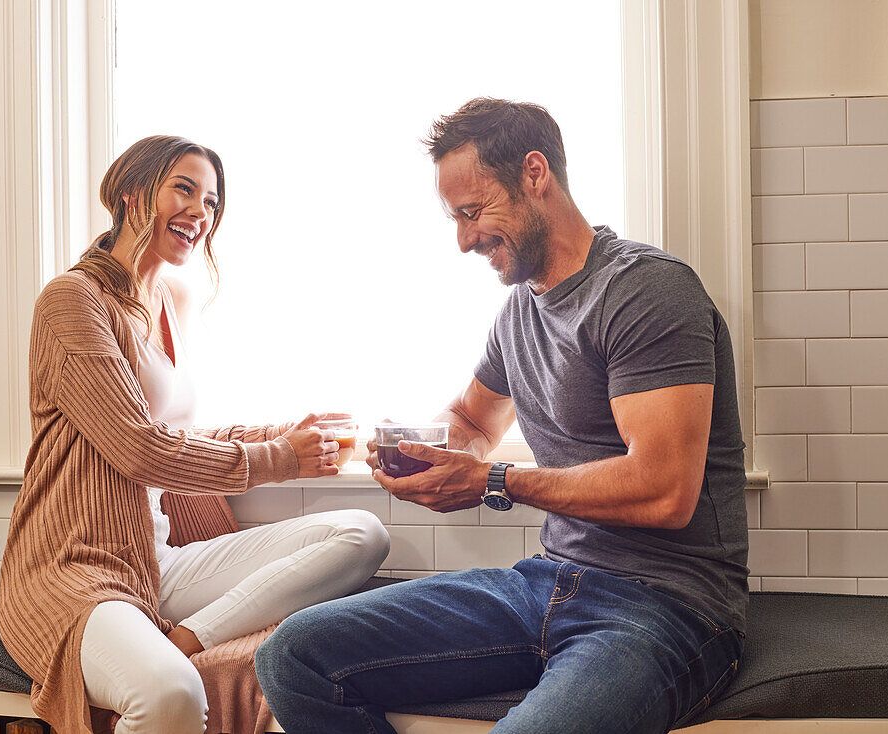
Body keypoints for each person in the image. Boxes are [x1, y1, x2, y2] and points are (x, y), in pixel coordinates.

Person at [255, 98, 748, 734]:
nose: (463, 240)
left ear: (534, 174)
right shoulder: (520, 312)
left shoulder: (647, 291)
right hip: (545, 586)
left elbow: (665, 490)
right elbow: (474, 420)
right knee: (293, 655)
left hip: (668, 607)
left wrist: (493, 482)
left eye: (472, 212)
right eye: (455, 218)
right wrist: (420, 451)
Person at [0, 135, 390, 734]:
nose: (201, 212)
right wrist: (278, 458)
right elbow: (137, 446)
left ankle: (184, 638)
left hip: (152, 562)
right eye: (184, 189)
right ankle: (174, 656)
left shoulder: (163, 304)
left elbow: (180, 433)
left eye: (211, 200)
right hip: (72, 569)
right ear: (133, 193)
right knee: (171, 696)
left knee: (360, 533)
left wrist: (287, 432)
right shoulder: (73, 300)